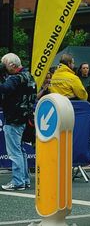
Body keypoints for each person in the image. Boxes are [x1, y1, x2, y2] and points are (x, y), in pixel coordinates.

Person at [0, 53, 36, 191]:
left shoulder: (16, 78)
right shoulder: (29, 76)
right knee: (20, 150)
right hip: (24, 117)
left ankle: (18, 181)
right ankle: (24, 179)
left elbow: (4, 89)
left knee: (14, 152)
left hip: (14, 118)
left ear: (12, 66)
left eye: (5, 65)